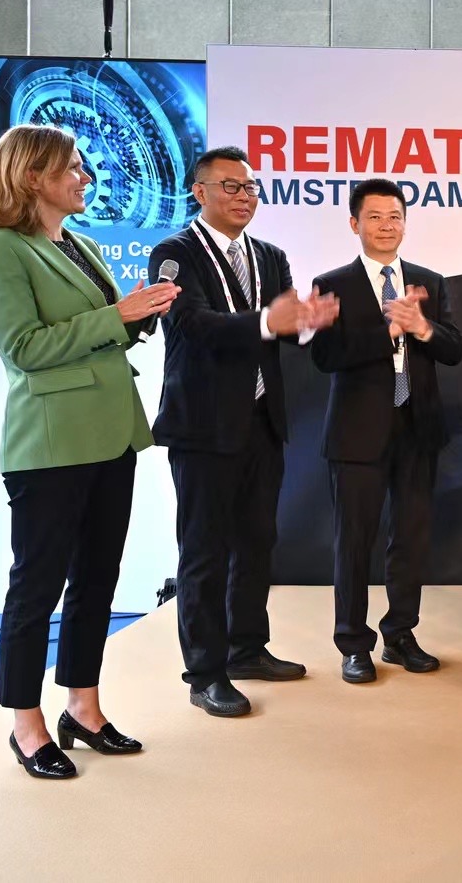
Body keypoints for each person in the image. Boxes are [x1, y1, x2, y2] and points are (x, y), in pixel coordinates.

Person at [0, 124, 179, 778]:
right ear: (32, 176)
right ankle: (25, 725)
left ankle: (83, 709)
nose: (85, 177)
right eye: (72, 168)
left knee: (96, 580)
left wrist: (141, 313)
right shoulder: (0, 250)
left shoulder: (81, 244)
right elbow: (25, 348)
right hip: (50, 444)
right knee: (37, 587)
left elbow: (105, 335)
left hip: (111, 434)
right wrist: (116, 317)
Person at [150, 146, 338, 717]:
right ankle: (205, 673)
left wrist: (307, 323)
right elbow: (192, 324)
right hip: (203, 427)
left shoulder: (270, 256)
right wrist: (266, 320)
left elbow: (285, 331)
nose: (244, 196)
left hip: (261, 422)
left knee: (257, 542)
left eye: (251, 187)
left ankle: (247, 649)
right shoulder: (174, 253)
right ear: (200, 192)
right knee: (204, 551)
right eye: (230, 186)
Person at [310, 179, 462, 684]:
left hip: (417, 429)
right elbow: (325, 356)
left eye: (394, 216)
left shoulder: (430, 281)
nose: (386, 225)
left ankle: (400, 634)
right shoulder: (332, 283)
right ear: (354, 223)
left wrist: (422, 328)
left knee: (410, 539)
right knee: (354, 543)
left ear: (405, 223)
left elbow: (455, 349)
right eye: (374, 217)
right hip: (357, 435)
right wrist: (388, 331)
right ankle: (353, 644)